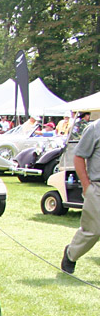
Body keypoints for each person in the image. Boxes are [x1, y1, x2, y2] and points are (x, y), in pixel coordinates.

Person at [61, 116, 100, 273]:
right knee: (93, 230)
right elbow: (79, 157)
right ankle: (71, 254)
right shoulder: (95, 128)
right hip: (97, 186)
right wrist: (86, 186)